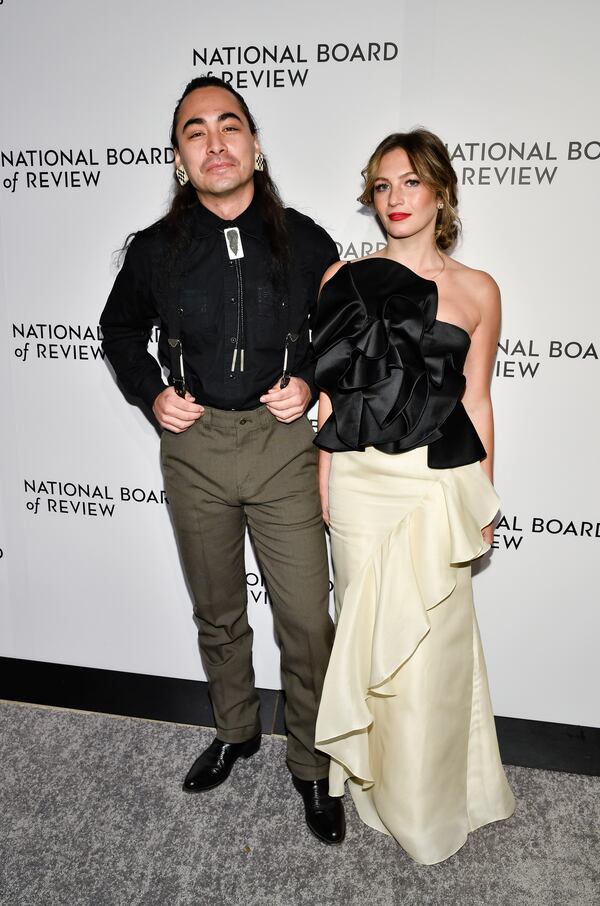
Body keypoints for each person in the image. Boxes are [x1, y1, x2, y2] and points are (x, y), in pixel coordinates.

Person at [100, 76, 345, 845]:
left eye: (228, 125)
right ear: (179, 157)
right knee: (219, 613)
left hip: (281, 448)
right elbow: (117, 331)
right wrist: (150, 393)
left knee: (307, 621)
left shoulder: (308, 242)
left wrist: (308, 379)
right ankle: (236, 730)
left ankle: (311, 765)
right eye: (195, 131)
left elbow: (338, 336)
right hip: (197, 448)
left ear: (255, 143)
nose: (214, 141)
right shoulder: (153, 251)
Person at [312, 129, 515, 863]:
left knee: (432, 650)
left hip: (438, 485)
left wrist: (484, 497)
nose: (395, 199)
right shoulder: (344, 276)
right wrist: (325, 475)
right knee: (369, 645)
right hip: (362, 484)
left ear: (440, 192)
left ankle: (431, 801)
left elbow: (481, 400)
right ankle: (369, 789)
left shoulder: (479, 288)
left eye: (410, 183)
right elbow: (334, 394)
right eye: (382, 186)